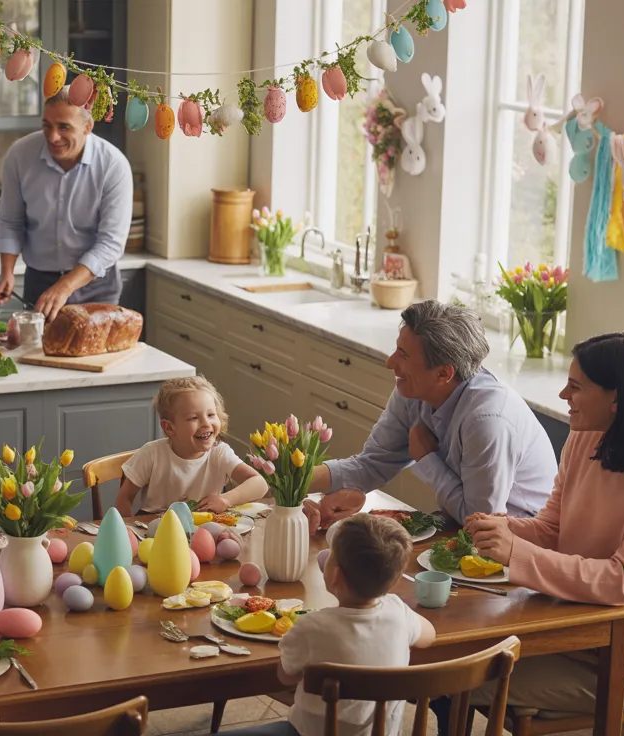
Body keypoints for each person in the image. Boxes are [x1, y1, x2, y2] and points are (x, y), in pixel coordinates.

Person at [460, 332, 624, 717]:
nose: (562, 395)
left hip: (621, 661)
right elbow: (552, 529)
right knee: (451, 654)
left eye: (575, 386)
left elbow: (623, 582)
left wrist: (516, 551)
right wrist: (503, 529)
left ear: (617, 398)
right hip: (563, 622)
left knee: (458, 677)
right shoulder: (585, 438)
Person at [303, 300, 556, 532]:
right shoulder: (412, 389)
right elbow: (373, 463)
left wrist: (426, 458)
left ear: (443, 374)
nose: (390, 363)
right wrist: (289, 481)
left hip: (517, 539)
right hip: (460, 527)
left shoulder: (487, 421)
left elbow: (481, 522)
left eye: (403, 355)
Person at [226, 514, 436, 736]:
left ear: (334, 574)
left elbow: (285, 676)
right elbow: (429, 635)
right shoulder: (398, 613)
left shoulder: (311, 627)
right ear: (393, 582)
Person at [0, 86, 133, 320]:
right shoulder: (20, 155)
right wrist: (7, 271)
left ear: (87, 127)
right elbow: (10, 221)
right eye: (47, 125)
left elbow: (110, 242)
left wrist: (65, 286)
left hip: (96, 284)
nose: (52, 136)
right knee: (38, 353)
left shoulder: (113, 165)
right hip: (39, 280)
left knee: (94, 356)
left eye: (64, 127)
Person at [115, 376, 268, 516]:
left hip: (204, 528)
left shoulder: (219, 453)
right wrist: (129, 533)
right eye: (193, 418)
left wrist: (226, 500)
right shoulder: (151, 454)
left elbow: (260, 484)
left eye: (211, 415)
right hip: (156, 529)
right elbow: (124, 498)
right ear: (169, 428)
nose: (206, 424)